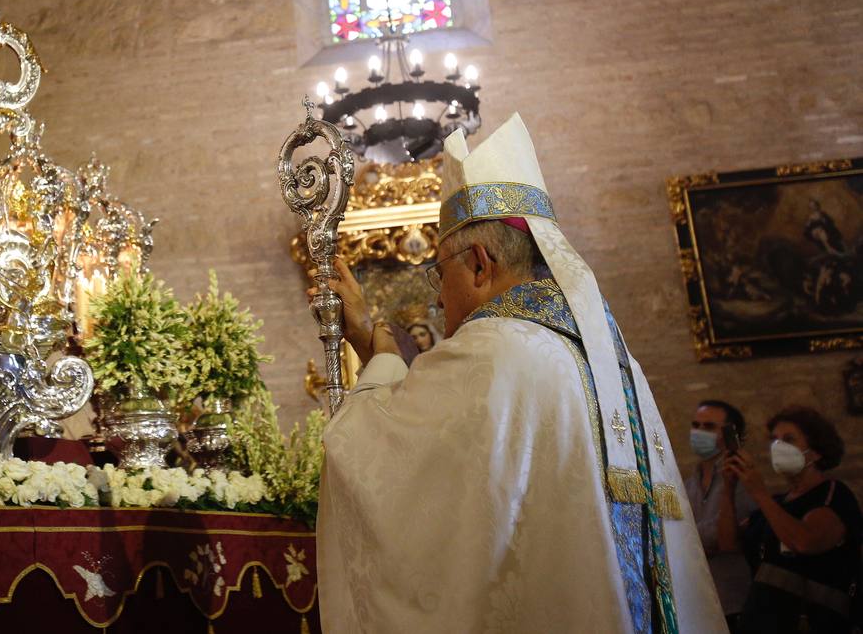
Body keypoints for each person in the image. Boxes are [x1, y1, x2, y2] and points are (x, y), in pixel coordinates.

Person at [317, 113, 725, 633]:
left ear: (481, 264)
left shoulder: (494, 349)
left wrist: (375, 341)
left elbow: (372, 462)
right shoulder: (603, 354)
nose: (439, 299)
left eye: (439, 274)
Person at [721, 406, 862, 633]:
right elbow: (728, 543)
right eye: (774, 440)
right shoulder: (777, 503)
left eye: (788, 439)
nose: (778, 446)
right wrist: (729, 488)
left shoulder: (833, 494)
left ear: (816, 451)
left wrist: (759, 492)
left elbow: (805, 541)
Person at [685, 400, 759, 626]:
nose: (699, 432)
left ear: (729, 434)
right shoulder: (688, 484)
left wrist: (687, 541)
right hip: (698, 601)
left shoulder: (742, 479)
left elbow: (726, 536)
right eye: (696, 425)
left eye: (709, 427)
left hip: (735, 600)